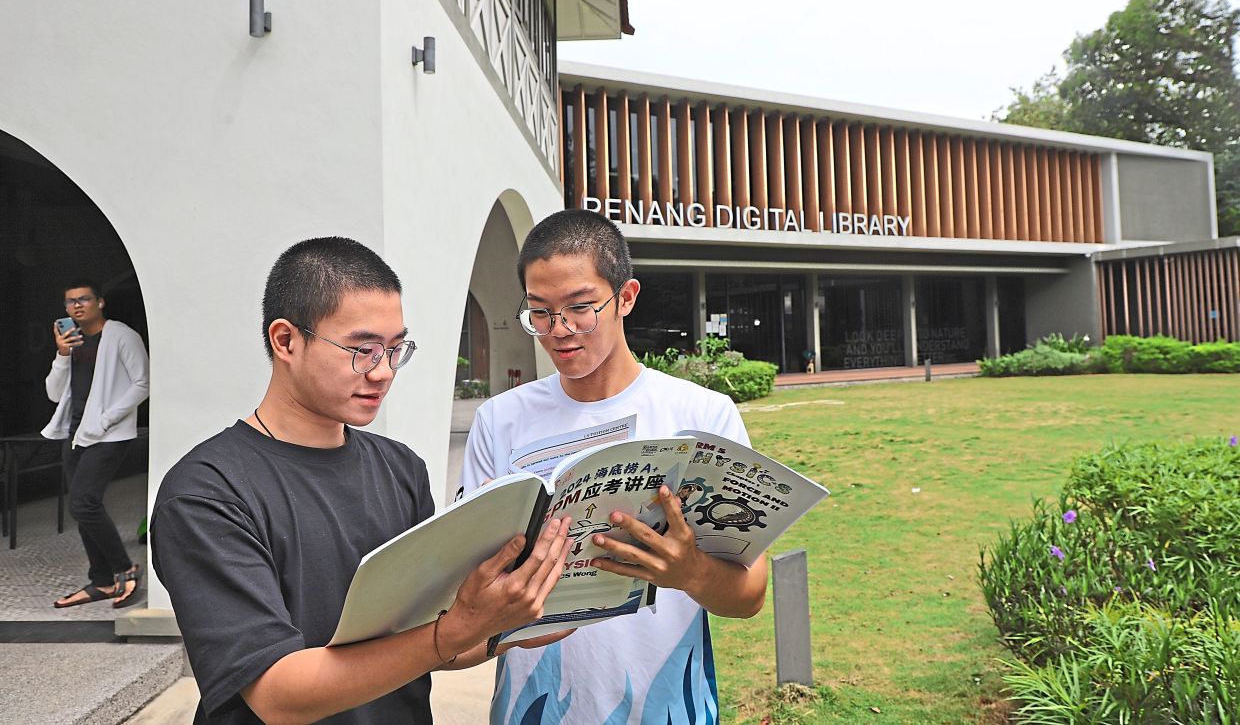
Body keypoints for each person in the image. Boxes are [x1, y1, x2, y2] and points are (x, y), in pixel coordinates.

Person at [151, 237, 570, 725]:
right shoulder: (207, 492)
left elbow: (430, 644)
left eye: (396, 350)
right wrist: (450, 633)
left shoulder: (400, 469)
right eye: (363, 349)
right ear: (286, 340)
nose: (384, 372)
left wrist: (507, 624)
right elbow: (275, 694)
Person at [461, 210, 769, 724]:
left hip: (666, 705)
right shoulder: (500, 420)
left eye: (581, 307)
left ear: (625, 297)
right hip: (531, 706)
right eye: (539, 312)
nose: (559, 331)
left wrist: (689, 571)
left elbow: (749, 595)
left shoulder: (700, 416)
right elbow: (469, 591)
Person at [45, 279, 149, 609]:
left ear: (99, 302)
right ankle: (102, 581)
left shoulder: (121, 335)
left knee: (84, 503)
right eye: (71, 302)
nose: (77, 306)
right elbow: (54, 393)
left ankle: (125, 570)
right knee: (81, 506)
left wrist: (107, 418)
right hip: (75, 432)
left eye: (84, 299)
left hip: (109, 434)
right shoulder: (72, 341)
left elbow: (142, 382)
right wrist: (62, 355)